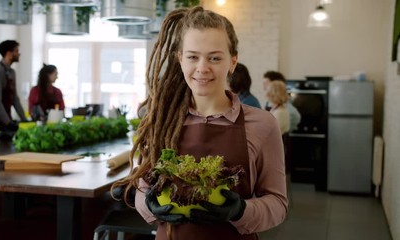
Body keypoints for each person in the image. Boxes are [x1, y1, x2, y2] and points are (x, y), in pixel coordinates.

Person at [112, 6, 287, 240]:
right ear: (180, 59)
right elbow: (144, 188)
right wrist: (148, 205)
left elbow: (277, 204)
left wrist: (241, 211)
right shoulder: (161, 121)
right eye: (193, 57)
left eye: (214, 58)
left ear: (232, 62)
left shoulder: (263, 124)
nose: (202, 68)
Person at [0, 40, 27, 131]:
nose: (19, 54)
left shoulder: (12, 72)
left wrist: (24, 120)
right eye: (16, 51)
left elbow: (15, 99)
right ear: (9, 53)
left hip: (6, 119)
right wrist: (8, 123)